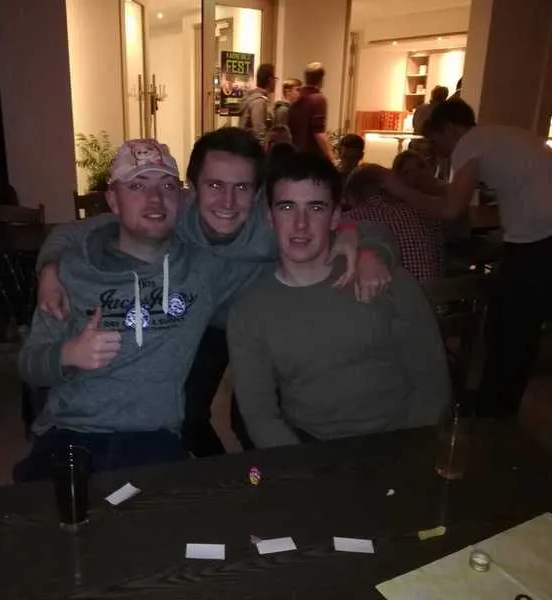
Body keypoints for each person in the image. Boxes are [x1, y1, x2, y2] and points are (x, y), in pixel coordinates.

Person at [35, 128, 396, 457]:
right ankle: (218, 475)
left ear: (257, 193)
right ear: (192, 189)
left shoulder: (273, 223)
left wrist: (368, 249)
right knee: (190, 415)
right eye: (214, 185)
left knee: (252, 419)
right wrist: (49, 269)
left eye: (242, 187)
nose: (227, 201)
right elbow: (75, 232)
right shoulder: (174, 212)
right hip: (201, 321)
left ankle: (272, 479)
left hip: (258, 322)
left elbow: (361, 226)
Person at [15, 140, 252, 478]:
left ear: (182, 199)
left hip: (153, 439)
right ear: (113, 200)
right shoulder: (70, 271)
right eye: (138, 186)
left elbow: (283, 266)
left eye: (167, 186)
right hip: (69, 432)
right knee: (40, 508)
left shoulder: (204, 271)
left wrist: (341, 243)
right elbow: (29, 365)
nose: (155, 199)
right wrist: (68, 354)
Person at [228, 152, 449, 448]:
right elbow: (260, 416)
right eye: (287, 207)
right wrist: (302, 467)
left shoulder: (385, 278)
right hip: (311, 448)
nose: (301, 224)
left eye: (316, 208)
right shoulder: (249, 312)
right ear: (270, 216)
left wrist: (411, 451)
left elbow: (431, 383)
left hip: (399, 441)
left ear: (335, 217)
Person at [384, 99, 552, 419]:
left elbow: (451, 208)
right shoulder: (499, 136)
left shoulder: (470, 143)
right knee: (512, 330)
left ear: (450, 130)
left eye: (435, 140)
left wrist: (396, 188)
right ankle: (497, 409)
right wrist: (428, 186)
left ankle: (493, 417)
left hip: (544, 242)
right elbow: (456, 194)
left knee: (508, 332)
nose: (437, 150)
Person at [345, 163, 443, 282]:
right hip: (432, 290)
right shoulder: (419, 214)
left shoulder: (350, 221)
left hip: (388, 291)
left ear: (352, 195)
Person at [287, 62, 335, 163]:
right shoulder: (318, 99)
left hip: (295, 155)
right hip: (312, 158)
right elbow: (319, 133)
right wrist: (332, 158)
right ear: (321, 79)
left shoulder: (297, 98)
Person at [240, 63, 275, 145]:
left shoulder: (256, 98)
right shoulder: (259, 101)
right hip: (254, 149)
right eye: (275, 78)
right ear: (270, 79)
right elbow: (259, 132)